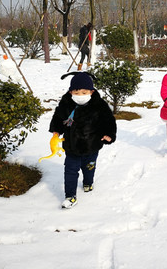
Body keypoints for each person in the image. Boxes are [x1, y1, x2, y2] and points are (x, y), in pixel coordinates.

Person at [49, 71, 117, 209]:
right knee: (70, 171)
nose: (80, 96)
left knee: (89, 168)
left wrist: (109, 134)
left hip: (92, 145)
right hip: (71, 146)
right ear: (70, 92)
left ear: (91, 92)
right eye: (77, 92)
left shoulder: (99, 105)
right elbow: (58, 117)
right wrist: (56, 130)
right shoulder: (66, 103)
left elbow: (108, 120)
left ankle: (88, 182)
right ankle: (70, 196)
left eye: (84, 92)